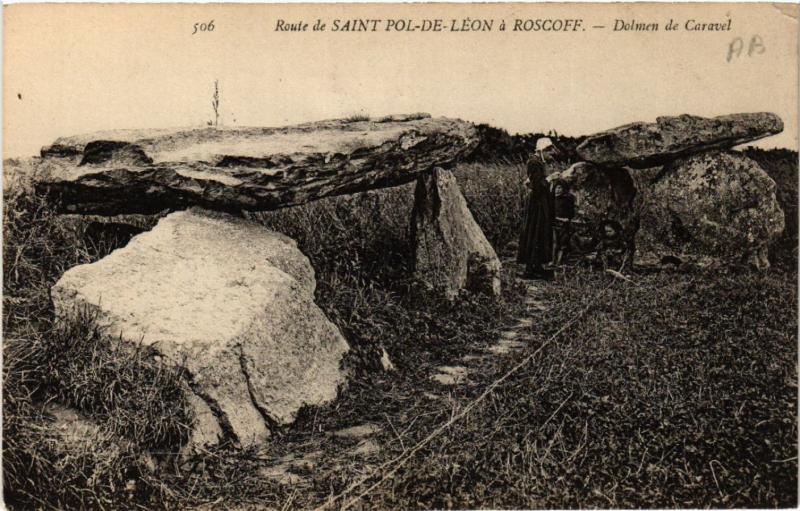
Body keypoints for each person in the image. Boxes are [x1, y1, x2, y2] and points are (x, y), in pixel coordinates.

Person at [517, 140, 555, 279]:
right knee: (535, 231)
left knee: (539, 232)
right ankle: (531, 269)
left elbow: (533, 182)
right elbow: (538, 186)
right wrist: (550, 179)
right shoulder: (534, 162)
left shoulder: (538, 162)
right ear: (542, 150)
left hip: (540, 202)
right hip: (537, 204)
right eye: (550, 151)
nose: (552, 155)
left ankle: (536, 267)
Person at [552, 181, 577, 265]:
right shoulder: (551, 199)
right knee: (554, 243)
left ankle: (559, 262)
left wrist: (567, 219)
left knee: (563, 244)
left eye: (560, 188)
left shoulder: (567, 199)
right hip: (553, 224)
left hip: (564, 224)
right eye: (556, 188)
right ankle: (552, 261)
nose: (558, 190)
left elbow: (571, 212)